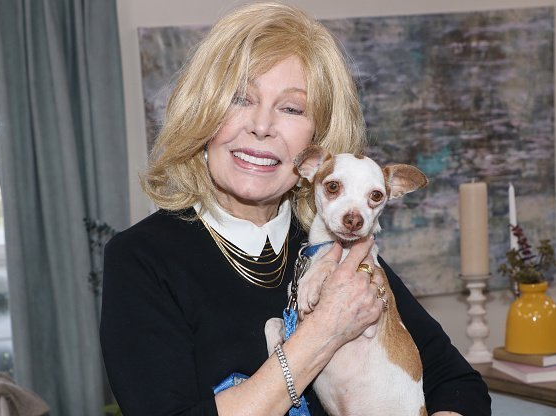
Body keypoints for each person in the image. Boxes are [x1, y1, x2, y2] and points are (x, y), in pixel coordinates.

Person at [99, 2, 491, 415]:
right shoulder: (141, 259)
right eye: (239, 99)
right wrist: (321, 333)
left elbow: (458, 383)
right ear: (202, 113)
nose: (262, 126)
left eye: (291, 108)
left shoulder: (334, 243)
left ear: (318, 139)